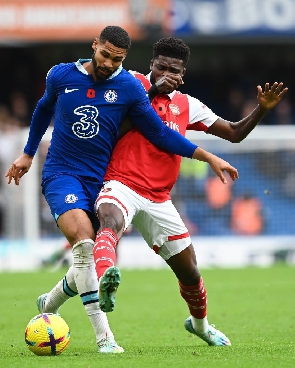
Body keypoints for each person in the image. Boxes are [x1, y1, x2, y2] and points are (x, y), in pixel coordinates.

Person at [32, 37, 287, 349]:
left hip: (159, 198)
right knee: (108, 222)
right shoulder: (130, 84)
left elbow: (234, 133)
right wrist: (153, 91)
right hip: (118, 182)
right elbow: (116, 124)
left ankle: (200, 325)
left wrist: (261, 110)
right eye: (161, 67)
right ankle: (107, 278)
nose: (168, 73)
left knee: (190, 272)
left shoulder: (188, 105)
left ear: (183, 74)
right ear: (151, 65)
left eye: (175, 70)